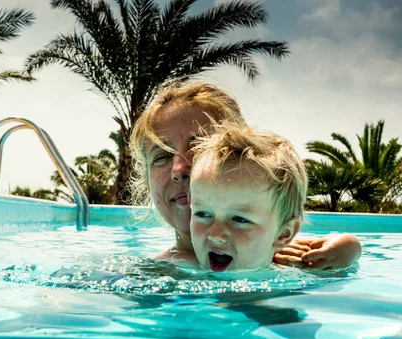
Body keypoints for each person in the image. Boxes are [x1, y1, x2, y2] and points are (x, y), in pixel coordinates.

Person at [129, 81, 361, 269]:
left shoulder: (272, 249)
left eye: (201, 146)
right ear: (148, 183)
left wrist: (347, 249)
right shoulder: (155, 271)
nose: (180, 169)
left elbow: (342, 247)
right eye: (161, 157)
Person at [189, 122, 306, 272]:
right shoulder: (177, 269)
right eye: (202, 214)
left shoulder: (298, 282)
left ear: (283, 234)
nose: (215, 235)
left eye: (240, 219)